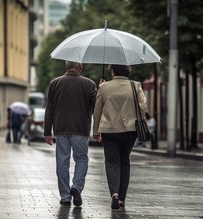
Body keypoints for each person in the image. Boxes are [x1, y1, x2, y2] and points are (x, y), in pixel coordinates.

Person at [93, 64, 147, 209]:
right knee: (124, 161)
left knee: (111, 162)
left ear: (112, 71)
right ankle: (122, 198)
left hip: (109, 129)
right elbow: (142, 107)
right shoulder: (136, 86)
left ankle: (114, 194)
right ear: (127, 71)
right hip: (130, 130)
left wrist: (96, 131)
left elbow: (97, 110)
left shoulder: (104, 87)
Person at [44, 61, 97, 207]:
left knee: (62, 161)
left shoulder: (55, 83)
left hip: (61, 128)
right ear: (80, 67)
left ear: (66, 67)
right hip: (81, 128)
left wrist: (47, 132)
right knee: (81, 159)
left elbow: (50, 109)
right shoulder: (89, 84)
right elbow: (97, 107)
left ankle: (65, 197)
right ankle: (77, 187)